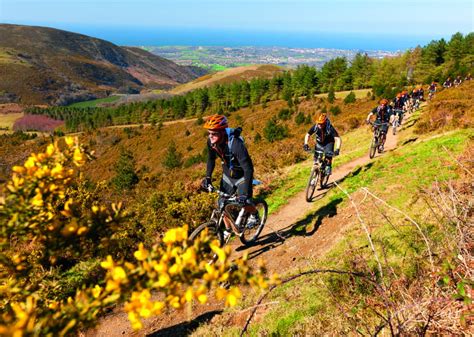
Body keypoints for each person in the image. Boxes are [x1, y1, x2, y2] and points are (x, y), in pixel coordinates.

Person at [201, 114, 258, 231]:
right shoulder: (211, 142)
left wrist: (245, 194)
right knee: (221, 203)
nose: (210, 136)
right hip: (227, 176)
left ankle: (254, 215)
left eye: (214, 133)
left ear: (222, 132)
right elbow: (211, 159)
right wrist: (208, 177)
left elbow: (248, 168)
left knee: (245, 202)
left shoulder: (236, 144)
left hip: (242, 177)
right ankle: (228, 230)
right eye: (209, 133)